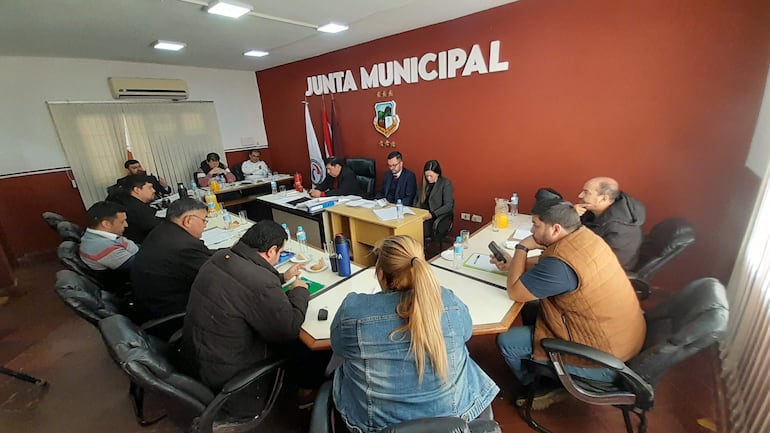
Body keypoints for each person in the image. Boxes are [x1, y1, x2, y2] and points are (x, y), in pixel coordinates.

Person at [331, 235, 499, 432]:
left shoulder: (353, 311)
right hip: (454, 419)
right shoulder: (450, 302)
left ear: (380, 275)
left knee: (342, 369)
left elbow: (338, 347)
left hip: (375, 425)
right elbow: (466, 333)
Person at [491, 199, 646, 410]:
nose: (532, 230)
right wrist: (516, 264)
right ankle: (546, 375)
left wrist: (522, 247)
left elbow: (515, 291)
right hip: (624, 339)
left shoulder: (559, 265)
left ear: (555, 229)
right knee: (532, 307)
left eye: (536, 225)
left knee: (507, 341)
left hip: (603, 361)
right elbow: (547, 262)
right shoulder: (584, 237)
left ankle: (540, 387)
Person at [182, 220, 326, 414]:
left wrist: (282, 277)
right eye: (280, 253)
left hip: (199, 356)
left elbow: (245, 283)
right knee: (304, 342)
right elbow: (288, 329)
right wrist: (299, 291)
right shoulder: (260, 282)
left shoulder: (220, 257)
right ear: (271, 251)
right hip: (230, 373)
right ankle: (307, 391)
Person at [130, 198, 213, 321]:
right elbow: (215, 274)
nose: (205, 225)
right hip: (171, 313)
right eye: (204, 220)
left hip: (149, 302)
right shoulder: (184, 246)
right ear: (188, 221)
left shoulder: (163, 230)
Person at [576, 177, 646, 270]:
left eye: (586, 192)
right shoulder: (593, 210)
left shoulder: (618, 228)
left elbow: (603, 262)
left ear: (604, 198)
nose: (580, 195)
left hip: (608, 271)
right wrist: (571, 215)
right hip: (589, 258)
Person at [79, 201, 139, 288]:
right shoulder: (101, 246)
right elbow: (139, 266)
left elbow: (132, 246)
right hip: (127, 282)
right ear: (106, 224)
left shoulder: (97, 235)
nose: (126, 225)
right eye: (122, 222)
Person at [111, 173, 162, 244]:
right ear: (137, 190)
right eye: (150, 187)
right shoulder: (138, 209)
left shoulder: (126, 201)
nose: (154, 190)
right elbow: (158, 227)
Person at [418, 160, 454, 238]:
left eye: (431, 176)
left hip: (436, 217)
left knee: (417, 230)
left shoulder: (445, 183)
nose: (428, 178)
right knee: (406, 226)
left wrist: (432, 214)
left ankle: (418, 248)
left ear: (437, 173)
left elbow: (448, 205)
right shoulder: (424, 183)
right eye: (426, 176)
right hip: (422, 215)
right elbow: (417, 200)